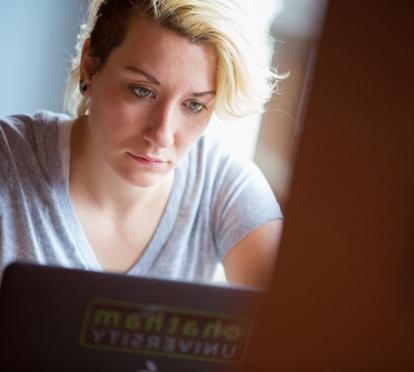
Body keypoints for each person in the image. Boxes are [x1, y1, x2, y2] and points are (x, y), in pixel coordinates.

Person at [0, 0, 284, 288]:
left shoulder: (223, 187)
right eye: (141, 91)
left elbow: (298, 318)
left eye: (195, 105)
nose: (162, 134)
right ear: (90, 66)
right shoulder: (7, 159)